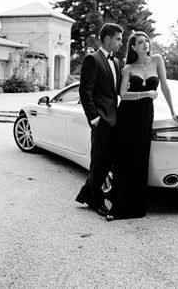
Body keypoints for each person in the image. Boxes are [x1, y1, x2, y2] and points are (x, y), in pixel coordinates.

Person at [107, 31, 178, 221]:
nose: (145, 44)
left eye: (146, 41)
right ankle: (119, 208)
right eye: (140, 42)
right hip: (127, 115)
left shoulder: (157, 60)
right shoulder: (128, 68)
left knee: (140, 158)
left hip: (145, 116)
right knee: (124, 159)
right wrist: (146, 94)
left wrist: (173, 111)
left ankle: (136, 207)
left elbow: (164, 86)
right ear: (133, 47)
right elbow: (123, 95)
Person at [75, 22, 123, 217]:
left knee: (107, 160)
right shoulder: (92, 60)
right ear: (107, 39)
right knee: (99, 160)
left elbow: (115, 92)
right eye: (118, 39)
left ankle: (86, 194)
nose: (121, 43)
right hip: (101, 120)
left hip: (114, 118)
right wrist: (94, 118)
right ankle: (96, 200)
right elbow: (85, 91)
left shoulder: (117, 62)